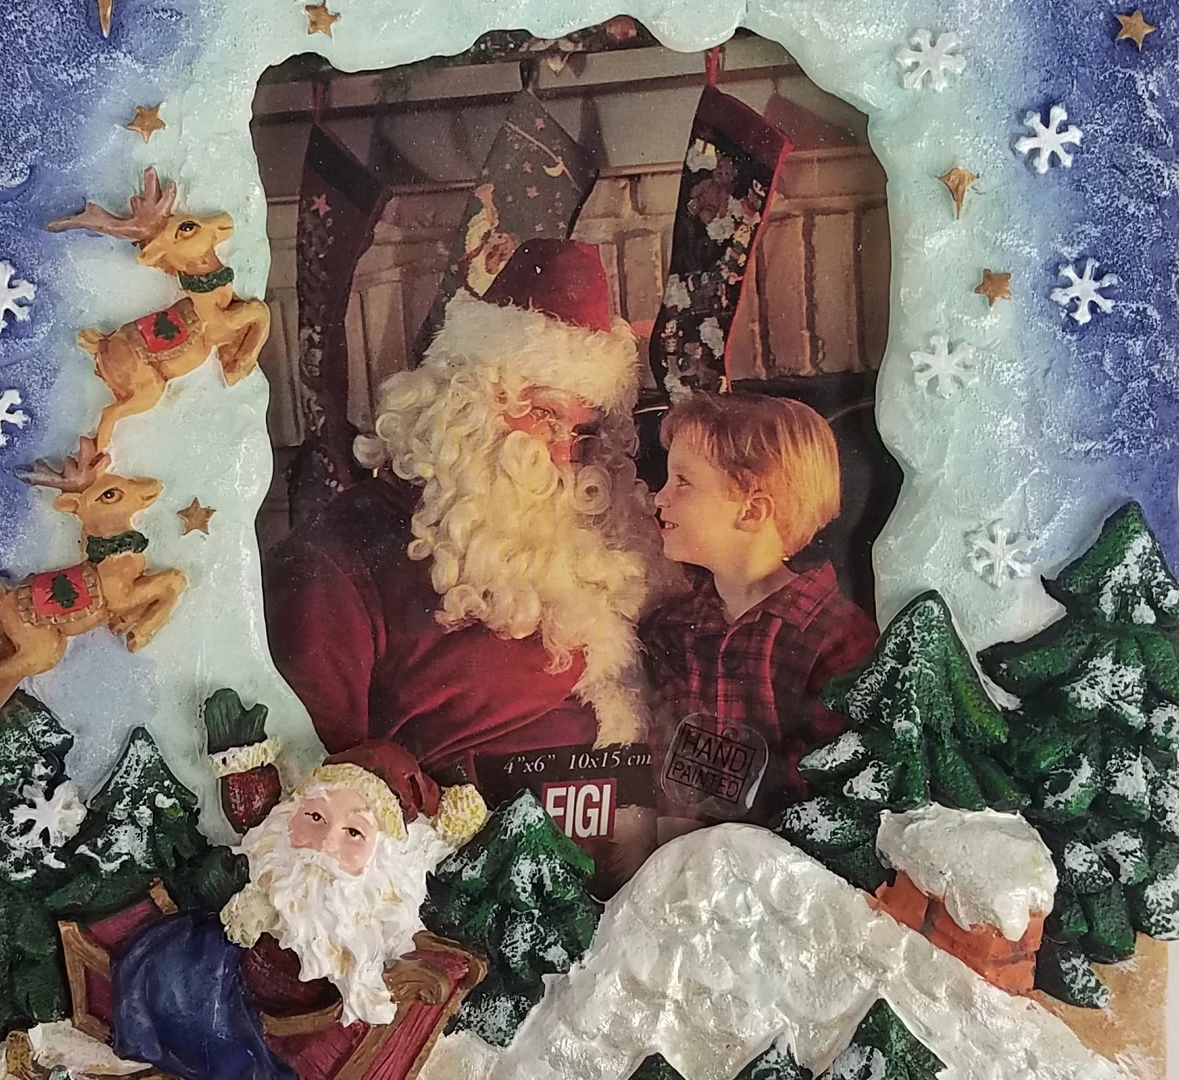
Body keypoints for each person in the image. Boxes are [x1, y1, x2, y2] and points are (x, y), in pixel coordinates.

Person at [220, 239, 674, 833]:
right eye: (544, 415)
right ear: (464, 403)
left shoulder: (589, 538)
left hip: (626, 837)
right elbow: (314, 788)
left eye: (583, 432)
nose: (565, 455)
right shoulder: (339, 559)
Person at [107, 760, 486, 1080]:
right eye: (315, 817)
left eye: (354, 832)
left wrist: (267, 915)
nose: (325, 843)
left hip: (270, 1004)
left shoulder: (358, 922)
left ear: (380, 856)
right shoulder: (272, 875)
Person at [641, 391, 880, 828]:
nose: (659, 497)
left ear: (752, 512)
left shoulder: (838, 639)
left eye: (683, 481)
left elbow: (838, 788)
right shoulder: (670, 629)